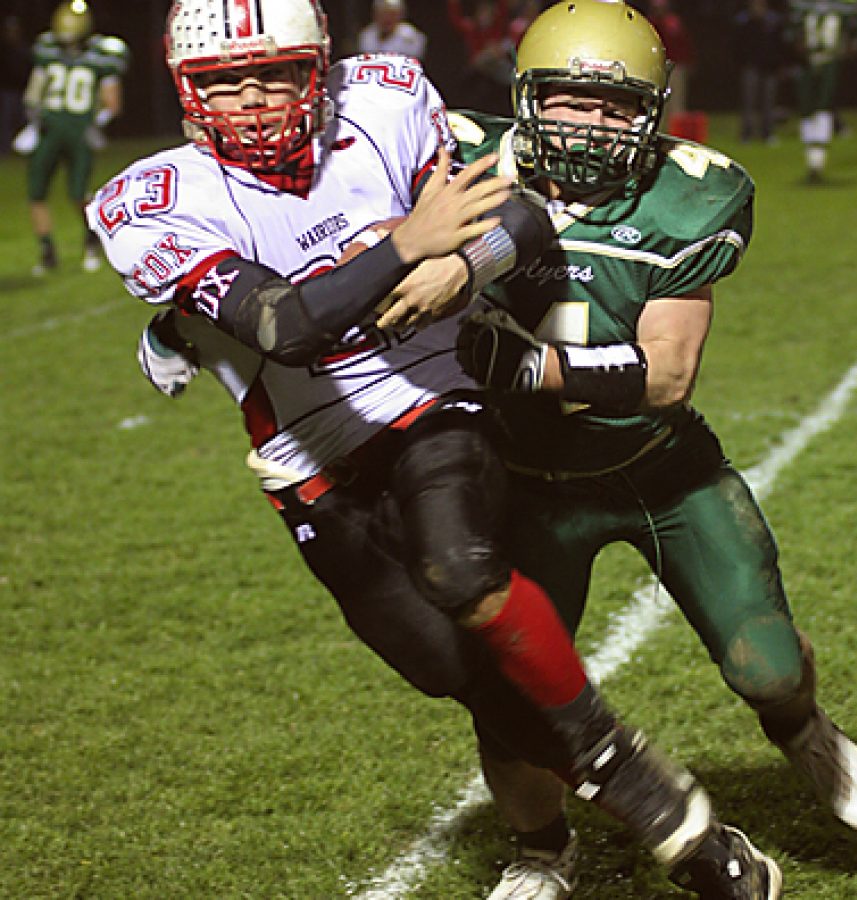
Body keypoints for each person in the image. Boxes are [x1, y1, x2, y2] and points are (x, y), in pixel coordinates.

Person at [92, 2, 783, 897]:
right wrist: (404, 247)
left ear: (323, 68)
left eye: (278, 73)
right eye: (227, 81)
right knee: (454, 673)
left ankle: (655, 807)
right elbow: (281, 324)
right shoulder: (149, 198)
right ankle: (655, 809)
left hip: (434, 397)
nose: (255, 99)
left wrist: (466, 262)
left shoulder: (384, 103)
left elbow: (526, 222)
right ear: (186, 89)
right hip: (310, 459)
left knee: (459, 570)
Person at [437, 1, 857, 896]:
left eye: (618, 108)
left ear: (653, 113)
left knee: (764, 668)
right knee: (515, 703)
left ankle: (800, 730)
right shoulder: (455, 160)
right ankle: (541, 852)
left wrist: (526, 371)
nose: (593, 126)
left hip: (660, 470)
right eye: (572, 102)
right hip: (526, 491)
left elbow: (667, 373)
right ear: (528, 100)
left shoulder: (691, 192)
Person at [17, 1, 128, 275]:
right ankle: (47, 251)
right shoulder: (48, 49)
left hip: (78, 131)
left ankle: (92, 238)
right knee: (36, 192)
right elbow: (34, 92)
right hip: (50, 128)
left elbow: (112, 103)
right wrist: (31, 124)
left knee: (79, 193)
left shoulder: (103, 53)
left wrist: (96, 125)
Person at [786, 0, 857, 183]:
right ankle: (812, 157)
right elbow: (791, 30)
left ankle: (817, 159)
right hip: (807, 59)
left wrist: (851, 46)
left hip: (830, 58)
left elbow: (856, 28)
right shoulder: (803, 8)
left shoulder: (843, 6)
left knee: (823, 105)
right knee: (807, 107)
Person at [446, 0, 515, 115]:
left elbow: (503, 12)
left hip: (495, 69)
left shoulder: (496, 29)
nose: (485, 17)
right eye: (482, 14)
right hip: (477, 69)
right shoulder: (471, 28)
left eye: (488, 14)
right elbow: (456, 19)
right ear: (477, 14)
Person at [733, 0, 786, 143]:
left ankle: (767, 133)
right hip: (750, 67)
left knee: (768, 103)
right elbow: (737, 46)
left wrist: (779, 64)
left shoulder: (773, 22)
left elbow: (779, 45)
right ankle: (747, 134)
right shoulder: (743, 22)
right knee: (749, 102)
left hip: (769, 68)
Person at [646, 0, 694, 126]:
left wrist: (688, 62)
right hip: (657, 67)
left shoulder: (673, 22)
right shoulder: (650, 24)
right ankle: (658, 130)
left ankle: (677, 131)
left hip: (676, 66)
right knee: (658, 102)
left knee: (677, 102)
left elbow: (684, 44)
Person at [0, 15, 30, 156]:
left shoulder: (23, 48)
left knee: (23, 121)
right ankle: (5, 149)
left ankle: (22, 151)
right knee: (5, 122)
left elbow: (28, 68)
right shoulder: (4, 49)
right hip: (7, 90)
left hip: (22, 90)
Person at [358, 0, 427, 61]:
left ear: (400, 15)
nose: (387, 18)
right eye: (382, 14)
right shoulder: (366, 35)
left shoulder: (411, 37)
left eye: (391, 14)